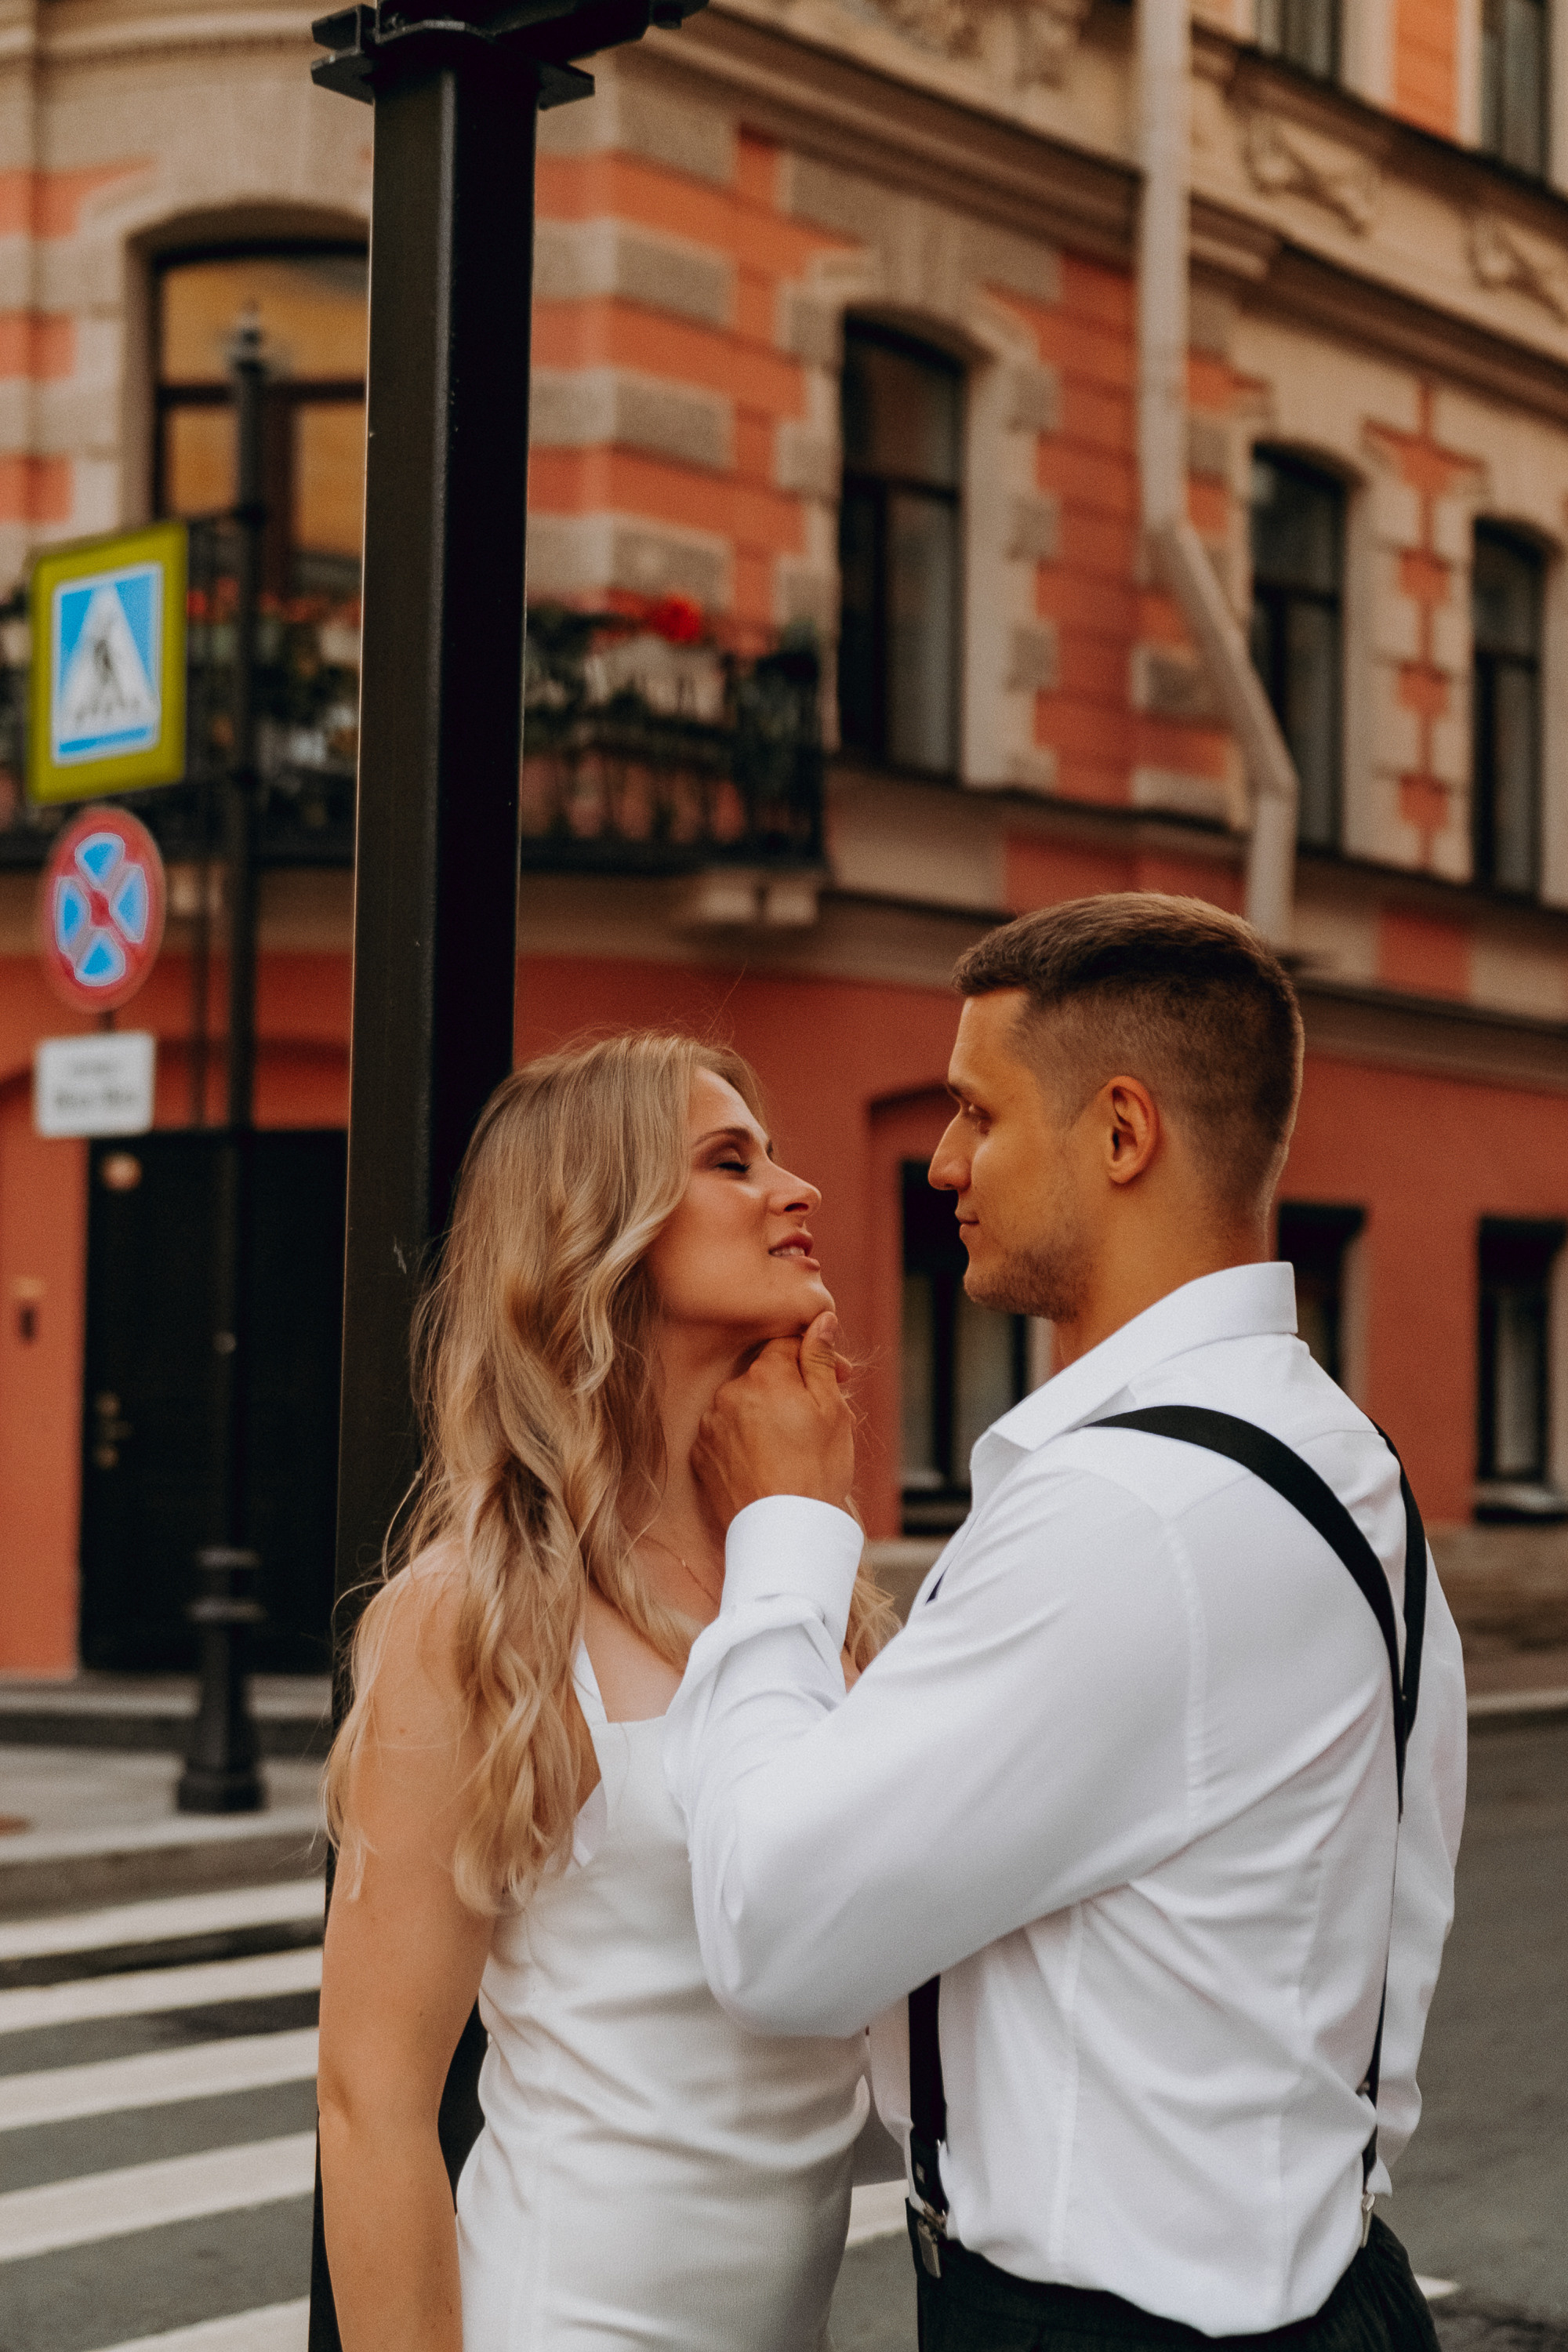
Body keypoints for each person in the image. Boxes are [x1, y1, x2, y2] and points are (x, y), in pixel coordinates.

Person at [666, 894, 1468, 2351]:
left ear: (1120, 1133)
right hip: (1319, 2289)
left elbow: (772, 1928)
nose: (943, 1160)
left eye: (977, 1112)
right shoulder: (1349, 1465)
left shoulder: (1130, 1517)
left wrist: (783, 1531)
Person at [316, 1032, 894, 2352]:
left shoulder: (807, 1580)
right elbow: (373, 2097)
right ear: (601, 1226)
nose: (796, 1191)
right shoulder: (476, 1612)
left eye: (777, 1155)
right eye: (729, 1161)